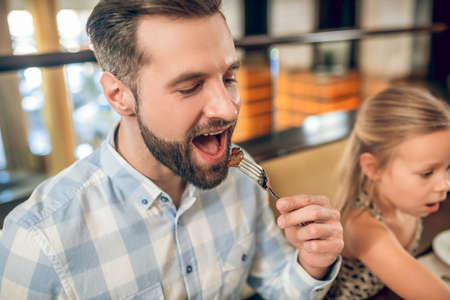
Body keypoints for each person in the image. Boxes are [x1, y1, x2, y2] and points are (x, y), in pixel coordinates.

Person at [0, 1, 343, 299]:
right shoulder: (39, 241)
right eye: (191, 86)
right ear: (119, 95)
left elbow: (277, 286)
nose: (228, 108)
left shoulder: (240, 174)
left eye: (228, 77)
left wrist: (313, 263)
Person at [325, 86, 450, 300]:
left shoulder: (407, 204)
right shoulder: (361, 226)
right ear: (373, 168)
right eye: (427, 173)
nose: (445, 185)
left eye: (448, 168)